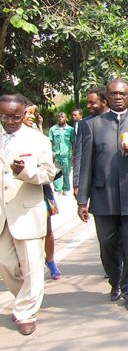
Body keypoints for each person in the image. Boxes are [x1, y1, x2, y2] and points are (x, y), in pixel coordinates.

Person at [76, 78, 128, 311]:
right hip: (103, 196)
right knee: (107, 244)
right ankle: (116, 280)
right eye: (114, 93)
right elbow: (86, 165)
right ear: (107, 97)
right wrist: (83, 200)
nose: (119, 97)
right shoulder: (92, 125)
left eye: (123, 93)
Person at [0, 94, 58, 335]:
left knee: (32, 265)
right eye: (5, 116)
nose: (11, 121)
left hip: (26, 211)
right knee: (6, 265)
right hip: (2, 213)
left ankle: (25, 312)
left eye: (16, 116)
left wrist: (26, 172)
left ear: (24, 114)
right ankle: (24, 296)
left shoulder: (38, 140)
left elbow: (49, 173)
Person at [22, 101, 62, 280]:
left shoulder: (38, 136)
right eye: (27, 113)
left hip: (40, 187)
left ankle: (51, 261)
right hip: (16, 192)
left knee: (46, 228)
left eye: (33, 113)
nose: (30, 116)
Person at [73, 86, 109, 198]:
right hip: (95, 182)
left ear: (104, 102)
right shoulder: (84, 124)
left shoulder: (117, 120)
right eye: (88, 102)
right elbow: (79, 155)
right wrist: (77, 183)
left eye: (92, 103)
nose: (88, 106)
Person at [49, 112, 76, 195]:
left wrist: (73, 154)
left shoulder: (70, 130)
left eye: (62, 117)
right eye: (59, 117)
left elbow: (73, 142)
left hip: (66, 155)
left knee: (66, 172)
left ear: (66, 118)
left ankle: (66, 189)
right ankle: (57, 189)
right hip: (56, 155)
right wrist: (50, 153)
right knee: (56, 172)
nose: (61, 118)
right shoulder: (53, 129)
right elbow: (50, 141)